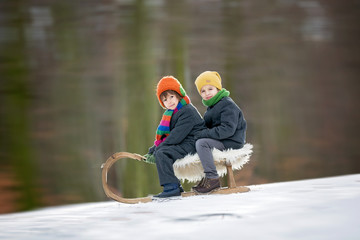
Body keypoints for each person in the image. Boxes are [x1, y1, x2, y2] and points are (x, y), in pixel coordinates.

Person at [144, 76, 206, 198]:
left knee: (163, 153)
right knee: (161, 150)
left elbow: (176, 136)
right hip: (185, 142)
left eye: (172, 97)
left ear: (178, 95)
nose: (169, 101)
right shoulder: (172, 113)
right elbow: (168, 137)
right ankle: (175, 186)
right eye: (165, 100)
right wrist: (153, 149)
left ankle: (171, 187)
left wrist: (157, 150)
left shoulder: (187, 111)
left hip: (194, 143)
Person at [192, 71, 247, 194]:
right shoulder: (212, 107)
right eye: (203, 91)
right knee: (197, 141)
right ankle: (205, 177)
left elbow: (227, 129)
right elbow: (206, 127)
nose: (207, 93)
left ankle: (212, 179)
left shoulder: (227, 104)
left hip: (232, 141)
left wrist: (203, 134)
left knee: (202, 143)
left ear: (218, 88)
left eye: (210, 89)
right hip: (222, 139)